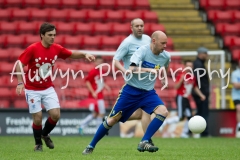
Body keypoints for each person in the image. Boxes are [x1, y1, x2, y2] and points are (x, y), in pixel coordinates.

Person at [82, 30, 170, 155]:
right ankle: (90, 146)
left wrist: (163, 78)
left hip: (148, 93)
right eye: (163, 43)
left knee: (163, 112)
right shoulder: (142, 51)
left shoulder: (166, 56)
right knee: (112, 120)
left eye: (166, 43)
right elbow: (132, 68)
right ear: (154, 41)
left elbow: (166, 66)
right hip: (131, 90)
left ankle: (145, 141)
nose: (165, 46)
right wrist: (149, 70)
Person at [15, 22, 95, 151]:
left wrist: (84, 54)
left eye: (54, 35)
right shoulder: (33, 48)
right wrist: (20, 82)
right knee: (38, 118)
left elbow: (71, 54)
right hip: (32, 89)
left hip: (47, 88)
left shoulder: (56, 48)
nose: (53, 37)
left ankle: (45, 134)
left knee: (56, 115)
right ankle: (38, 144)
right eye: (50, 35)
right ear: (42, 35)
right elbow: (19, 64)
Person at [110, 18, 153, 143]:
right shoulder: (127, 42)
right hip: (133, 84)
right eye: (137, 26)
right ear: (131, 28)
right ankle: (147, 140)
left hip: (146, 82)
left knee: (143, 113)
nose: (139, 28)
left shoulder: (148, 39)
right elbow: (115, 60)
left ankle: (110, 120)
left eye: (141, 25)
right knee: (145, 112)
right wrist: (124, 71)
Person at [79, 56, 111, 135]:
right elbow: (87, 82)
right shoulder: (93, 71)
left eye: (101, 62)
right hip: (95, 96)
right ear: (95, 62)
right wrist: (93, 92)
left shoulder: (102, 71)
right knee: (100, 113)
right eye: (98, 62)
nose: (99, 63)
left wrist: (106, 87)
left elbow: (101, 82)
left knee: (96, 113)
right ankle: (98, 131)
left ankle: (82, 126)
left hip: (100, 95)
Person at [174, 60, 205, 138]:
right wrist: (181, 79)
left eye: (191, 66)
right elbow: (176, 87)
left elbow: (195, 87)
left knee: (189, 116)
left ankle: (185, 133)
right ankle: (164, 123)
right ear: (184, 66)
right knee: (180, 117)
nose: (189, 68)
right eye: (188, 66)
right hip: (181, 97)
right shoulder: (181, 75)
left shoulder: (192, 77)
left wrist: (201, 95)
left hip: (187, 99)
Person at [192, 47, 209, 137]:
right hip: (201, 94)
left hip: (201, 93)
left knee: (201, 112)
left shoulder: (199, 64)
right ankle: (203, 132)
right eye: (205, 53)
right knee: (202, 113)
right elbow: (196, 80)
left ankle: (198, 132)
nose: (206, 55)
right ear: (200, 54)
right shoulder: (198, 65)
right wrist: (201, 93)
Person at [231, 59, 240, 138]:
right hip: (237, 96)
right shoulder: (235, 73)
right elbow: (236, 86)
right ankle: (239, 127)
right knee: (239, 108)